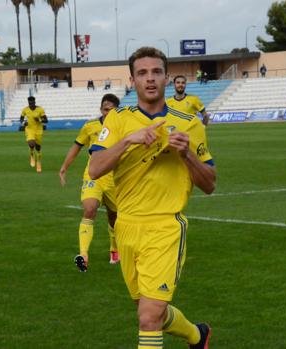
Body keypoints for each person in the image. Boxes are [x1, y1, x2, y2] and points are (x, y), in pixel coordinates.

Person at [89, 46, 216, 349]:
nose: (150, 79)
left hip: (165, 227)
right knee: (150, 313)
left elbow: (210, 184)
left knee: (148, 317)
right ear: (132, 79)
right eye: (142, 73)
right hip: (127, 227)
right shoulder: (118, 120)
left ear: (167, 78)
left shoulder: (189, 123)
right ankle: (198, 336)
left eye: (156, 72)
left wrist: (186, 155)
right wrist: (128, 141)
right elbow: (95, 168)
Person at [59, 94, 121, 272]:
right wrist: (64, 167)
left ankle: (114, 249)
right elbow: (77, 146)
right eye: (104, 108)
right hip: (93, 176)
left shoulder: (123, 127)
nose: (106, 111)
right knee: (89, 208)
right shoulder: (90, 126)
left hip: (113, 178)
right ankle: (83, 255)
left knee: (114, 216)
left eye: (110, 108)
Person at [20, 96, 48, 173]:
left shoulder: (40, 109)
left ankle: (38, 161)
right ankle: (32, 153)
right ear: (28, 103)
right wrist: (23, 123)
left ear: (35, 102)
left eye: (32, 103)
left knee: (38, 148)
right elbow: (21, 118)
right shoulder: (25, 110)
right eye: (30, 103)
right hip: (29, 129)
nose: (31, 104)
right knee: (31, 143)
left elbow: (46, 120)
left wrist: (39, 119)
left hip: (38, 130)